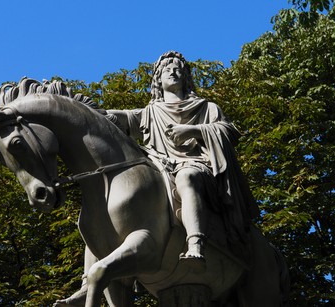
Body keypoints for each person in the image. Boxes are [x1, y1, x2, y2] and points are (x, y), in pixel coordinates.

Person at [108, 51, 259, 268]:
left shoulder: (207, 107)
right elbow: (119, 116)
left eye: (178, 68)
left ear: (186, 78)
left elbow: (228, 131)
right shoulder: (150, 112)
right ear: (158, 79)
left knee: (187, 177)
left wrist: (193, 131)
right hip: (162, 167)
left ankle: (196, 244)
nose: (173, 71)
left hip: (198, 167)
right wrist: (85, 109)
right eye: (167, 69)